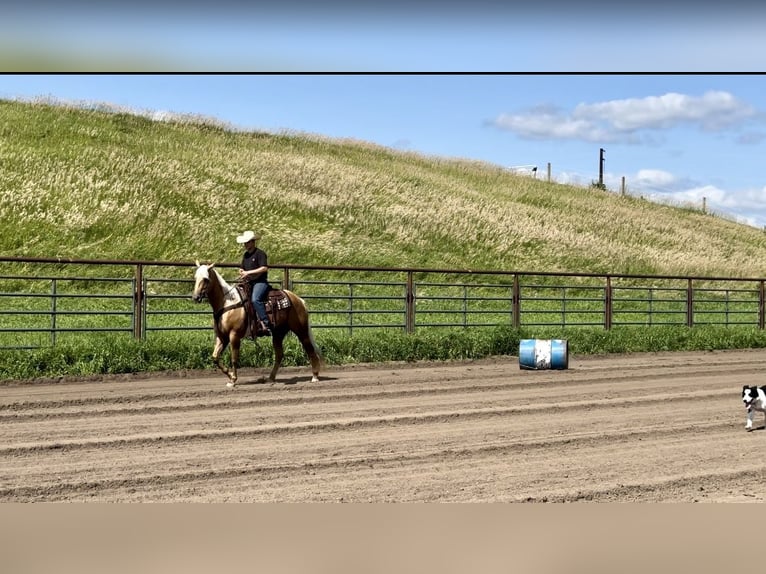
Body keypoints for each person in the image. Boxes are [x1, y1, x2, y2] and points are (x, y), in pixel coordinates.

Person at [236, 230, 272, 334]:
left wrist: (248, 272)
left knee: (255, 299)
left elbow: (264, 268)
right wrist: (242, 271)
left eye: (247, 242)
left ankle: (266, 323)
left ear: (253, 242)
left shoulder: (260, 254)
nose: (245, 245)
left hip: (260, 282)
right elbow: (242, 268)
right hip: (249, 282)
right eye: (245, 243)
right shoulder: (246, 255)